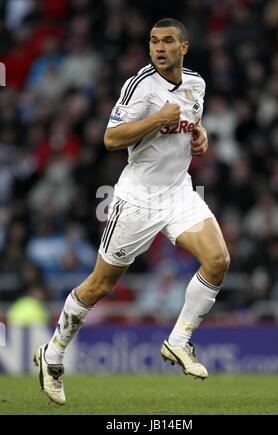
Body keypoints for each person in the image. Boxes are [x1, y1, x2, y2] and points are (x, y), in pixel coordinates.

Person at [34, 18, 230, 405]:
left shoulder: (196, 84)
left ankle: (178, 342)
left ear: (183, 47)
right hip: (137, 200)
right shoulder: (140, 85)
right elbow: (109, 138)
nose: (159, 47)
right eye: (154, 41)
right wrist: (157, 119)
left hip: (178, 192)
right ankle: (53, 355)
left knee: (218, 260)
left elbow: (192, 121)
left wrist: (199, 133)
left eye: (168, 41)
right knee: (100, 285)